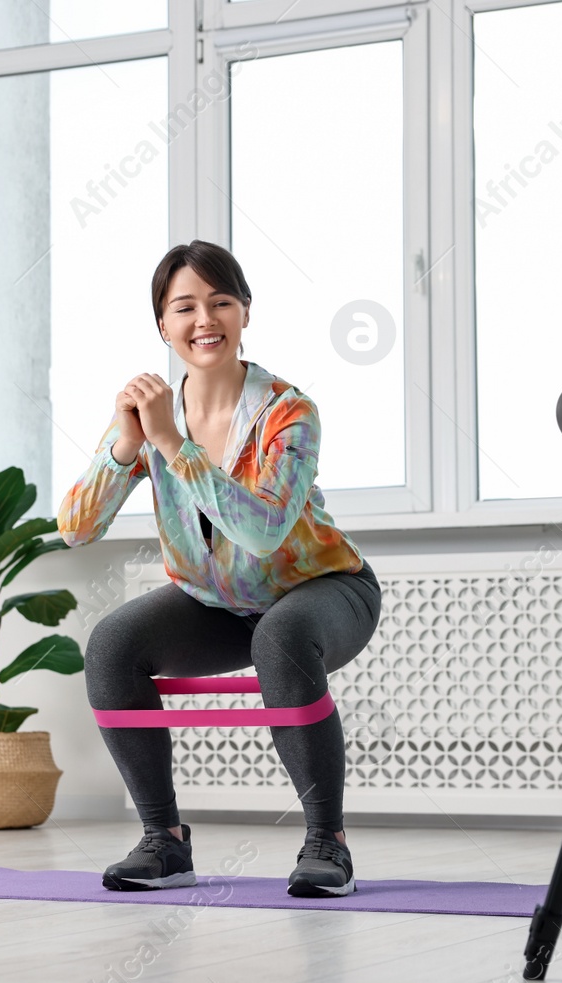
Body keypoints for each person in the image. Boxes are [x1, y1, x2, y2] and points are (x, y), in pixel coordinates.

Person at [56, 239, 382, 897]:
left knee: (281, 636)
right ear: (163, 325)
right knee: (112, 645)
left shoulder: (289, 412)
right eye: (185, 307)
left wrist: (172, 444)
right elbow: (76, 528)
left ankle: (328, 841)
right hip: (216, 603)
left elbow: (262, 532)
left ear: (245, 312)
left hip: (324, 589)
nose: (204, 319)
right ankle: (164, 841)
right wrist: (126, 443)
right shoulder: (148, 417)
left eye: (220, 301)